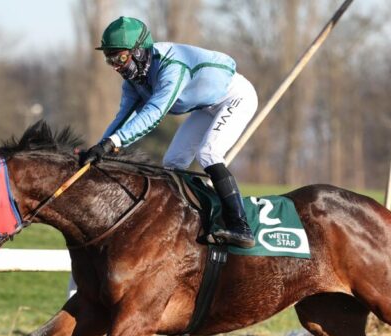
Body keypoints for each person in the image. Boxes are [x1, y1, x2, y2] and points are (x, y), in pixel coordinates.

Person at [80, 16, 258, 248]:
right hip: (206, 107)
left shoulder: (172, 67)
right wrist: (100, 147)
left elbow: (154, 112)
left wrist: (112, 143)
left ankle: (241, 227)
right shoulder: (133, 82)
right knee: (172, 163)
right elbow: (122, 118)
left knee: (209, 152)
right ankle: (196, 220)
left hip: (236, 97)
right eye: (109, 59)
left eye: (120, 57)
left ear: (139, 51)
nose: (116, 66)